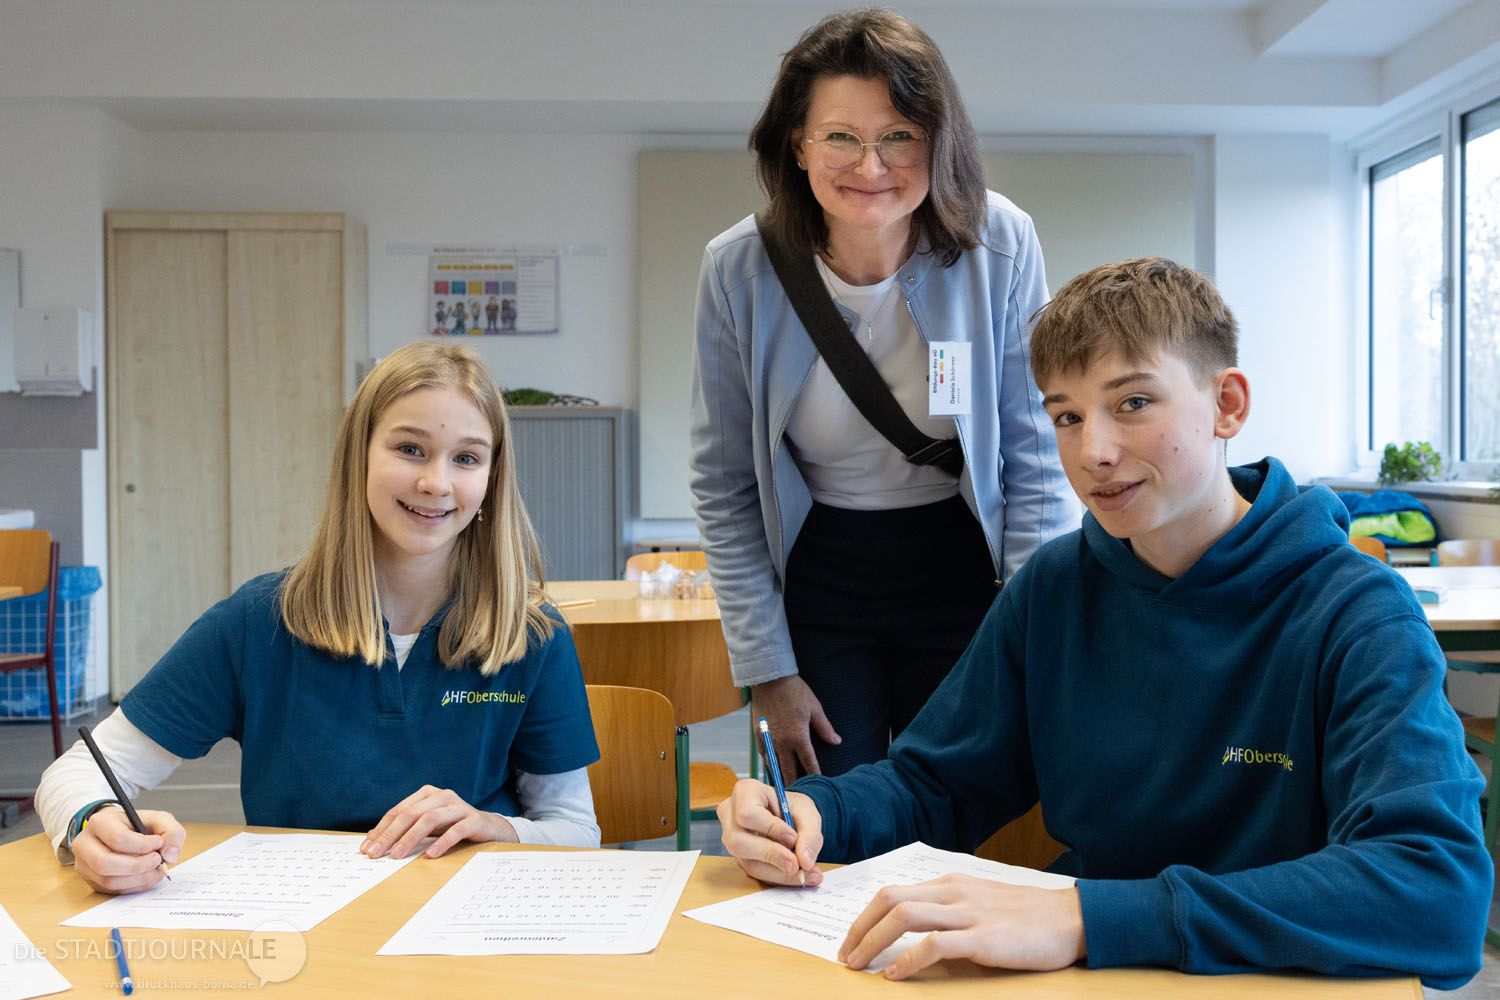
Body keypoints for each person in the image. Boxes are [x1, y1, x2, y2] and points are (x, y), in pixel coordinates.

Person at [717, 258, 1492, 988]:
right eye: (1066, 415)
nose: (1093, 451)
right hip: (1094, 975)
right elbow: (937, 781)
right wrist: (815, 812)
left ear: (1227, 405)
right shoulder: (1054, 588)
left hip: (1272, 983)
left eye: (1133, 404)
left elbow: (1435, 892)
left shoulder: (1356, 613)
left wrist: (1091, 917)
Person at [36, 341, 601, 895]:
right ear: (358, 456)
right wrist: (93, 824)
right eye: (409, 449)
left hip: (468, 926)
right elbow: (79, 772)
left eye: (467, 458)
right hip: (301, 928)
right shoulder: (258, 622)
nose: (436, 482)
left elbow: (575, 830)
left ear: (492, 478)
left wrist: (495, 826)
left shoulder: (531, 634)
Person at [689, 8, 1076, 781]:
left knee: (960, 807)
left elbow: (1034, 452)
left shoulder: (1000, 242)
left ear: (939, 142)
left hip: (967, 570)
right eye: (840, 136)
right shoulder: (738, 270)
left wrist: (1029, 633)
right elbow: (725, 484)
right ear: (797, 144)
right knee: (831, 817)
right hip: (820, 581)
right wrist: (767, 670)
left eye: (899, 134)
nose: (871, 164)